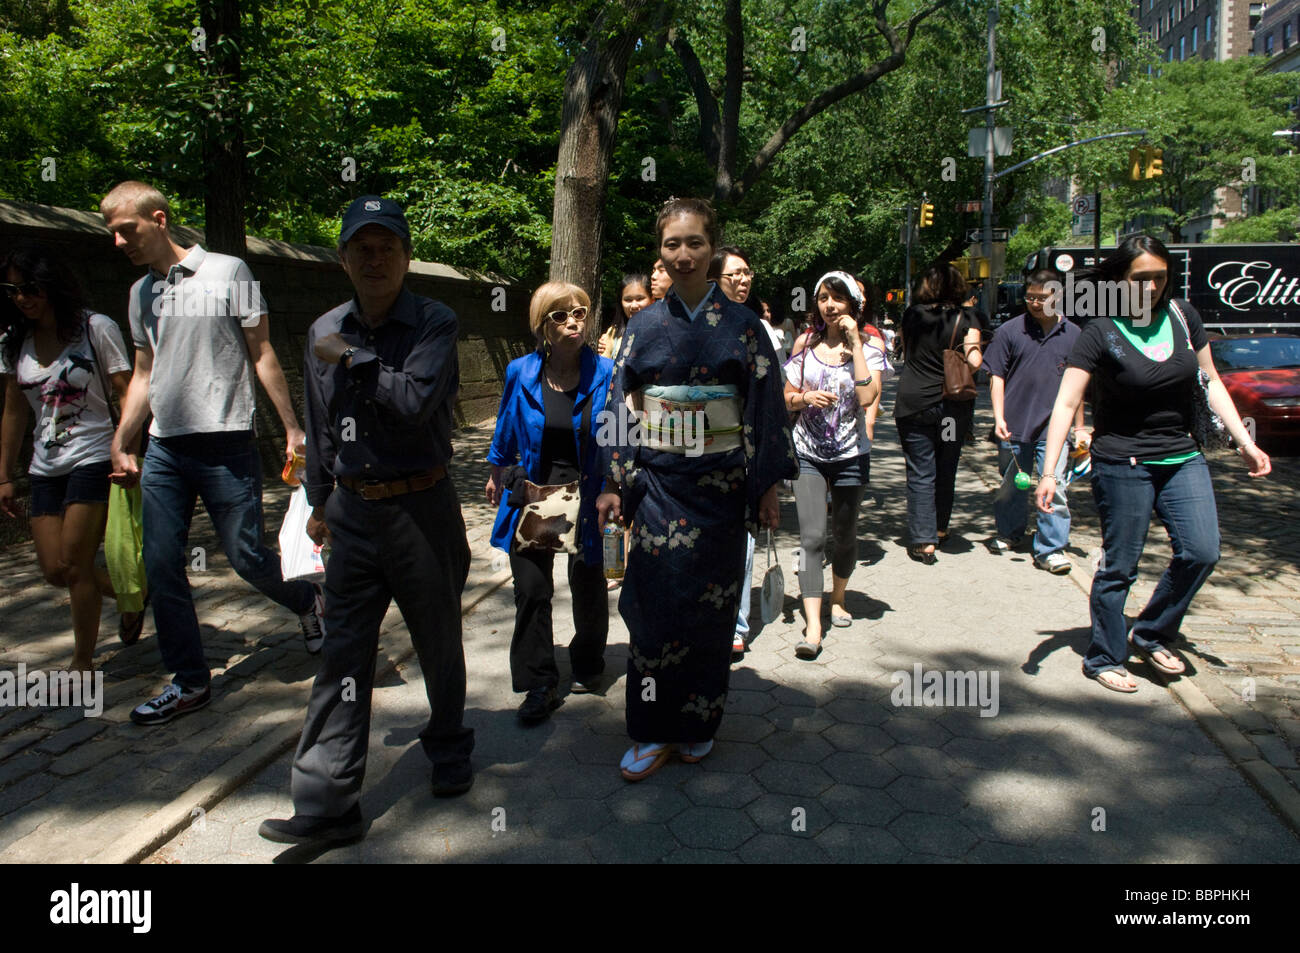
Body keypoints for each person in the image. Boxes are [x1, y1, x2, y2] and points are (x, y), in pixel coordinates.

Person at [259, 195, 474, 846]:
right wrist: (318, 503)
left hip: (423, 508)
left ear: (406, 257)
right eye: (362, 249)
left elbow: (411, 401)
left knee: (438, 641)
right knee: (343, 655)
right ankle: (328, 804)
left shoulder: (435, 322)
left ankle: (448, 744)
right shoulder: (323, 328)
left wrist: (351, 357)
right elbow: (319, 425)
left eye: (387, 248)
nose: (375, 259)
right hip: (351, 515)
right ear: (346, 259)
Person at [99, 181, 323, 725]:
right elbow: (145, 373)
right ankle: (190, 681)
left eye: (126, 229)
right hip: (164, 448)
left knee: (246, 556)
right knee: (161, 562)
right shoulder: (140, 294)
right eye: (111, 233)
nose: (118, 241)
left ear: (158, 218)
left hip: (225, 441)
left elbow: (262, 350)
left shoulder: (229, 271)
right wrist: (122, 439)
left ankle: (308, 603)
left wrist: (292, 428)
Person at [596, 197, 795, 780]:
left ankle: (699, 724)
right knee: (654, 611)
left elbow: (763, 410)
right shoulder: (642, 326)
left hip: (722, 493)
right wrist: (613, 480)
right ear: (660, 251)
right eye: (671, 245)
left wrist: (765, 487)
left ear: (714, 248)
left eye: (695, 243)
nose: (683, 255)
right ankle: (652, 728)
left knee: (711, 616)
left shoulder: (744, 328)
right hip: (657, 488)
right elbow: (620, 403)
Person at [1036, 235, 1270, 694]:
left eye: (1159, 277)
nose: (1151, 287)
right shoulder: (1100, 331)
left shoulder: (1184, 318)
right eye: (1140, 279)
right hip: (1122, 461)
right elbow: (1066, 403)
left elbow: (1211, 382)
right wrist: (1050, 472)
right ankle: (1104, 655)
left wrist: (1244, 441)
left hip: (1182, 455)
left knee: (1202, 551)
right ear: (1120, 280)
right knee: (1120, 565)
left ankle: (1151, 631)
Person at [0, 247, 139, 670]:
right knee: (54, 569)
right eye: (13, 290)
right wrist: (4, 475)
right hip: (44, 466)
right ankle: (135, 593)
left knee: (76, 566)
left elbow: (125, 389)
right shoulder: (12, 341)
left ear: (52, 285)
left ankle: (82, 663)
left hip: (94, 455)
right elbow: (13, 409)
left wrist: (127, 447)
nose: (23, 297)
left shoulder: (95, 328)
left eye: (31, 288)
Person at [485, 282, 614, 724]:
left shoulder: (607, 372)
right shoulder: (521, 371)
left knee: (589, 586)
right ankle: (539, 684)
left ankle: (589, 662)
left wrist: (618, 486)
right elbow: (505, 425)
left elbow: (620, 437)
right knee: (532, 590)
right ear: (542, 325)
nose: (573, 321)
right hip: (535, 495)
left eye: (579, 312)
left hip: (590, 493)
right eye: (560, 316)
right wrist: (496, 470)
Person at [783, 272, 880, 659]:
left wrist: (855, 344)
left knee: (845, 535)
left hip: (851, 455)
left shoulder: (871, 347)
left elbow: (869, 394)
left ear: (853, 304)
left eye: (838, 298)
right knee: (811, 538)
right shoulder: (806, 344)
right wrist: (805, 397)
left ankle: (838, 597)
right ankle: (813, 626)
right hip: (807, 452)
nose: (829, 305)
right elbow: (785, 395)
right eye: (823, 298)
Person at [984, 268, 1085, 572]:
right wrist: (998, 416)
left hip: (1055, 429)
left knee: (1056, 486)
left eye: (1042, 297)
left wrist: (1080, 427)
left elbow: (1079, 387)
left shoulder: (1074, 334)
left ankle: (1050, 548)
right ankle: (1009, 533)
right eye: (1030, 296)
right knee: (1012, 485)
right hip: (1014, 424)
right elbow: (996, 376)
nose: (1035, 303)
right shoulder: (1010, 331)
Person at [893, 264, 983, 563]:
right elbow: (974, 360)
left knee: (921, 470)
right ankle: (941, 529)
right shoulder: (968, 316)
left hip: (915, 403)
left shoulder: (912, 315)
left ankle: (923, 540)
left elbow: (906, 351)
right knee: (946, 467)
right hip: (951, 408)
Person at [708, 244, 763, 658]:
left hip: (740, 457)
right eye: (734, 275)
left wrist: (771, 480)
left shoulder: (755, 328)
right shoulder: (694, 327)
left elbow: (769, 401)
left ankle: (735, 622)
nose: (743, 281)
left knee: (742, 545)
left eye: (747, 273)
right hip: (693, 457)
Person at [598, 273, 650, 361]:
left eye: (640, 299)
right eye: (628, 300)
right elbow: (605, 369)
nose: (633, 305)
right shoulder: (613, 333)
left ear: (652, 299)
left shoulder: (664, 329)